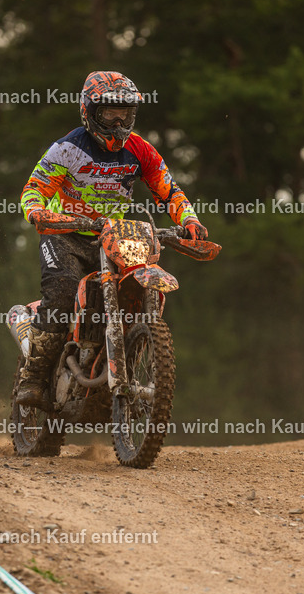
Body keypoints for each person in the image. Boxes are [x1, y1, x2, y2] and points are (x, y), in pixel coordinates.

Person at [15, 70, 209, 408]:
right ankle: (32, 379)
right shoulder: (68, 149)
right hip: (66, 233)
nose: (118, 123)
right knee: (62, 293)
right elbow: (34, 190)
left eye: (126, 114)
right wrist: (38, 212)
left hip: (113, 236)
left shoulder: (140, 150)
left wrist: (188, 220)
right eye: (110, 114)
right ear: (90, 112)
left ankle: (118, 363)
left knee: (132, 290)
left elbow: (170, 190)